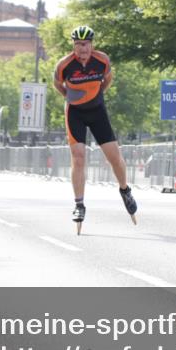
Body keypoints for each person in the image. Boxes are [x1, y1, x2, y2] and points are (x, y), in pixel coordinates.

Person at [52, 25, 138, 226]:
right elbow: (58, 84)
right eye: (79, 44)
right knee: (79, 158)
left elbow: (107, 79)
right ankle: (79, 204)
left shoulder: (102, 60)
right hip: (75, 113)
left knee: (114, 158)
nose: (83, 49)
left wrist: (97, 95)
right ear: (73, 46)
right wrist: (69, 97)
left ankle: (125, 190)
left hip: (97, 111)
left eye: (86, 44)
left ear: (92, 45)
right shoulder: (64, 65)